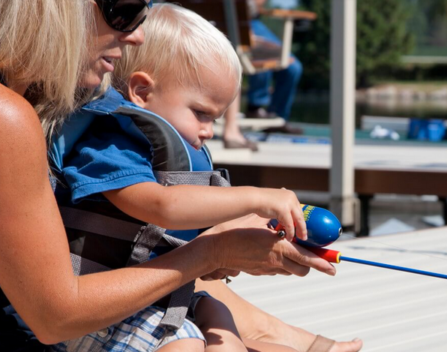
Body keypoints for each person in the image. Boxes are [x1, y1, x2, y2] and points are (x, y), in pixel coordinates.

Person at [0, 1, 335, 351]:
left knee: (222, 323)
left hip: (92, 310)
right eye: (124, 10)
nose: (138, 34)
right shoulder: (15, 118)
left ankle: (276, 335)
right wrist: (219, 246)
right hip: (60, 321)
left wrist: (229, 237)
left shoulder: (50, 102)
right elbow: (56, 315)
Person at [111, 4, 362, 351]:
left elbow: (181, 228)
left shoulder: (162, 146)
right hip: (118, 307)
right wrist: (256, 197)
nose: (209, 132)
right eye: (201, 113)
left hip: (162, 295)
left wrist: (242, 232)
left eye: (216, 119)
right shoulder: (111, 146)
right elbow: (161, 206)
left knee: (217, 313)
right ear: (142, 92)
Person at [245, 0, 304, 135]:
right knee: (263, 55)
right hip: (233, 23)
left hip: (254, 22)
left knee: (293, 67)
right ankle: (255, 107)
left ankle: (278, 117)